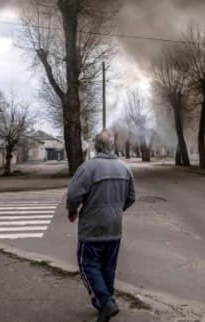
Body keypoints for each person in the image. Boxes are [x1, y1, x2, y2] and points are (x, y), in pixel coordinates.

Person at [66, 130, 136, 322]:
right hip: (114, 228)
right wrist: (116, 210)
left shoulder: (88, 168)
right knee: (108, 266)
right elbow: (131, 197)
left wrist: (72, 210)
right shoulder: (124, 168)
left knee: (87, 264)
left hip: (92, 228)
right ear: (112, 146)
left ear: (96, 147)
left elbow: (73, 195)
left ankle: (105, 302)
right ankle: (106, 303)